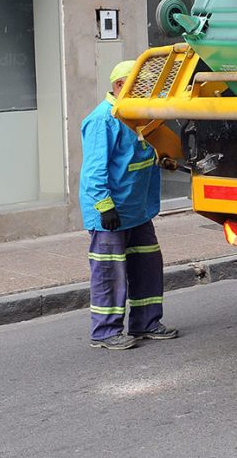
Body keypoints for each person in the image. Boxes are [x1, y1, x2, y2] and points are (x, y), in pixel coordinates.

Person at [79, 60, 178, 350]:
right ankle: (105, 332)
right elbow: (94, 170)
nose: (148, 91)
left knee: (147, 265)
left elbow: (139, 156)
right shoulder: (103, 119)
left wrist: (163, 159)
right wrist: (104, 206)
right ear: (121, 86)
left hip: (136, 209)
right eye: (143, 85)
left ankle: (146, 323)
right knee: (110, 272)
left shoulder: (137, 116)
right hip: (112, 212)